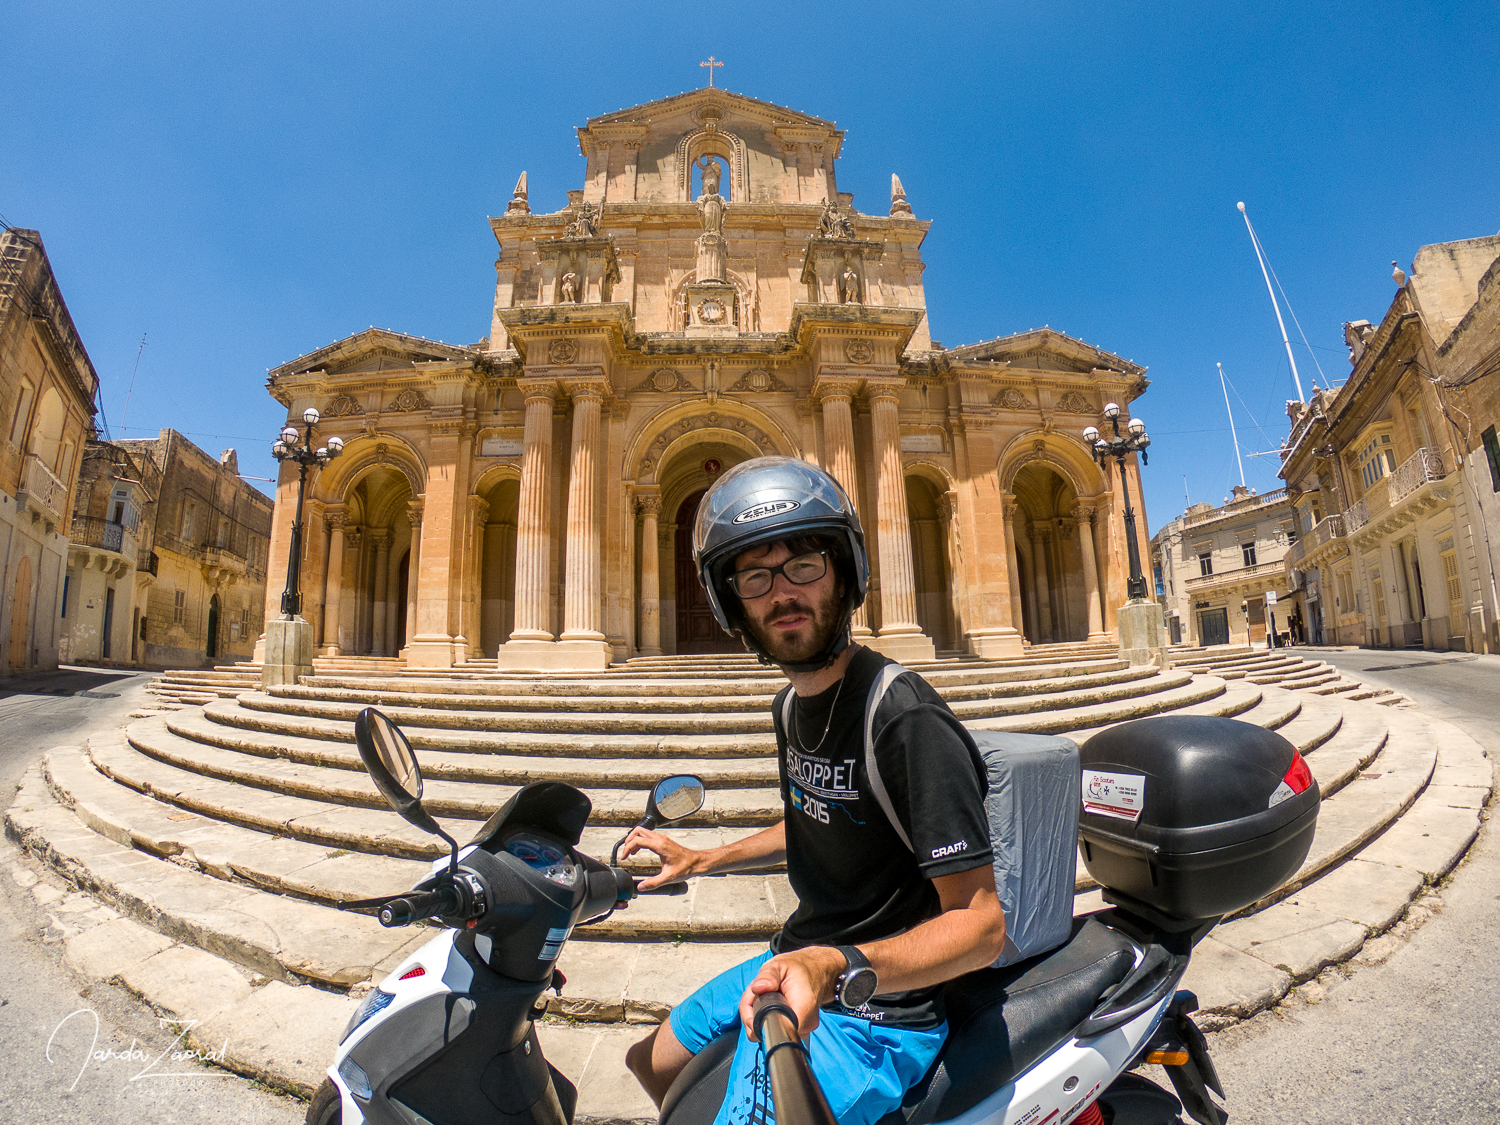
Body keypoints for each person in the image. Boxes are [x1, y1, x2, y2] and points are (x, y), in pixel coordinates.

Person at [622, 457, 1006, 1125]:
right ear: (730, 599)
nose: (782, 592)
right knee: (649, 1061)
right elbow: (817, 816)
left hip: (879, 1009)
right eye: (755, 575)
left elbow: (981, 924)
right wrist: (702, 858)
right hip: (794, 960)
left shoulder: (903, 717)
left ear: (846, 571)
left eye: (804, 564)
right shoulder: (790, 707)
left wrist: (837, 963)